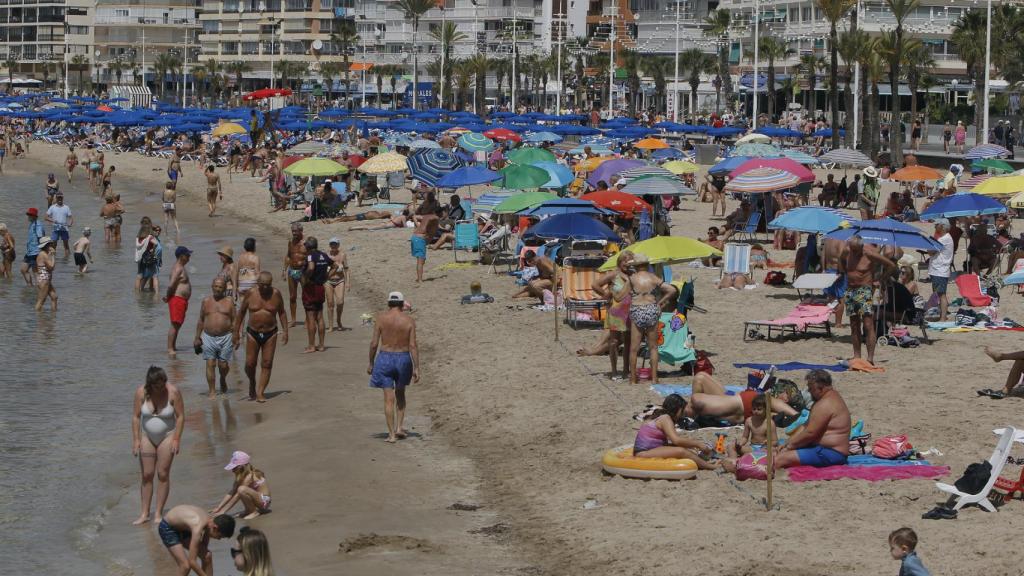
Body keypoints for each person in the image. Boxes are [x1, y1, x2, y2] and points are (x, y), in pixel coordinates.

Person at [131, 366, 184, 525]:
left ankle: (159, 513)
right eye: (157, 386)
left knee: (162, 474)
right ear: (150, 384)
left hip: (167, 436)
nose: (161, 388)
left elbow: (180, 416)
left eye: (163, 384)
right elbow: (135, 417)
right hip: (147, 436)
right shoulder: (141, 392)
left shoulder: (173, 392)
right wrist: (136, 439)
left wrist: (176, 439)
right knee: (147, 475)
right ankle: (144, 513)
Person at [367, 291, 419, 443]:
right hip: (403, 358)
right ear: (402, 304)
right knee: (400, 393)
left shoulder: (381, 319)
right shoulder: (409, 320)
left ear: (389, 303)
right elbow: (413, 345)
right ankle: (399, 427)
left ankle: (391, 435)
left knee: (388, 399)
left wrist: (371, 362)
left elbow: (374, 344)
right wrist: (417, 367)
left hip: (385, 357)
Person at [773, 370, 851, 469]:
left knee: (780, 459)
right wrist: (788, 443)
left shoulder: (826, 404)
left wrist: (789, 447)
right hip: (821, 449)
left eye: (811, 388)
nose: (809, 391)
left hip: (832, 453)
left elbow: (810, 433)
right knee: (778, 451)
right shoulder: (825, 399)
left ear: (821, 388)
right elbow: (806, 426)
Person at [840, 236, 896, 365]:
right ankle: (857, 355)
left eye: (856, 250)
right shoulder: (847, 251)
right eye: (852, 250)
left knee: (868, 324)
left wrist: (881, 278)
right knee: (854, 325)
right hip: (850, 290)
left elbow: (891, 265)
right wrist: (843, 273)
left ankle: (870, 358)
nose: (854, 253)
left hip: (864, 290)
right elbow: (842, 261)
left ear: (861, 247)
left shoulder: (869, 254)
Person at [578, 250, 633, 379]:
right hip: (616, 312)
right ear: (619, 262)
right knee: (614, 342)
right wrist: (606, 296)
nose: (627, 263)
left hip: (630, 312)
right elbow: (595, 284)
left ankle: (626, 370)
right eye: (625, 261)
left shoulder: (632, 275)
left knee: (628, 343)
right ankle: (614, 371)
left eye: (629, 261)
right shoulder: (613, 274)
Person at [235, 271, 289, 402]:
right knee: (250, 364)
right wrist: (235, 332)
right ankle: (252, 382)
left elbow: (281, 312)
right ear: (258, 283)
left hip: (271, 332)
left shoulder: (276, 294)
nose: (265, 288)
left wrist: (286, 331)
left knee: (267, 363)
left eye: (268, 285)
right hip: (252, 332)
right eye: (263, 285)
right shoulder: (251, 293)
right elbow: (241, 313)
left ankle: (260, 392)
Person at [625, 254, 677, 385]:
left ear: (635, 266)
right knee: (653, 347)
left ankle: (633, 379)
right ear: (647, 265)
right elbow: (671, 290)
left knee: (634, 349)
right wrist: (660, 303)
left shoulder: (632, 278)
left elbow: (622, 295)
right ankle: (654, 378)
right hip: (651, 309)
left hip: (637, 309)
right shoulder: (653, 278)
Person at [632, 394, 718, 470]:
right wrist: (698, 444)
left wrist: (691, 446)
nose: (682, 415)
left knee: (683, 449)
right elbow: (676, 440)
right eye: (682, 411)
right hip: (643, 453)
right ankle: (710, 466)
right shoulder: (665, 418)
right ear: (678, 409)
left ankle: (703, 461)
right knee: (681, 451)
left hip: (648, 449)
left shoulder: (656, 416)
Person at [687, 372, 800, 424]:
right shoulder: (768, 403)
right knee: (699, 377)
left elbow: (771, 401)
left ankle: (796, 415)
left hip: (738, 402)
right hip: (736, 401)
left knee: (699, 383)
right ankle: (796, 415)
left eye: (785, 393)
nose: (781, 392)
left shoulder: (771, 400)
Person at [158, 504, 235, 576]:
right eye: (220, 536)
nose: (218, 539)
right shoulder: (198, 527)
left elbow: (204, 549)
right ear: (215, 528)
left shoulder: (210, 523)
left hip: (184, 527)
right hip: (167, 527)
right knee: (185, 566)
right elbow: (192, 561)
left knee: (207, 556)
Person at [195, 278, 236, 397]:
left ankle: (223, 378)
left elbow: (235, 320)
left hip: (226, 337)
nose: (217, 289)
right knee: (210, 363)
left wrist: (236, 336)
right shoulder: (206, 301)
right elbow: (201, 320)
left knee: (223, 365)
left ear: (224, 288)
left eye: (220, 287)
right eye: (216, 286)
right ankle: (212, 391)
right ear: (212, 286)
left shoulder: (229, 302)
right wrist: (197, 337)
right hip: (208, 336)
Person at [211, 451, 272, 520]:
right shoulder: (240, 476)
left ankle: (253, 512)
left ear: (241, 467)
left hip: (264, 501)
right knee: (240, 489)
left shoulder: (250, 476)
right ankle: (248, 510)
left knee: (241, 489)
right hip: (258, 498)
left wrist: (223, 511)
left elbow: (237, 495)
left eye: (234, 468)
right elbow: (231, 492)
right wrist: (219, 507)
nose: (232, 470)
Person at [301, 236, 330, 353]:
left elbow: (311, 267)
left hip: (311, 288)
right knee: (320, 316)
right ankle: (321, 345)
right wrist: (326, 276)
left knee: (310, 317)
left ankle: (311, 345)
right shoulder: (323, 255)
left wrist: (305, 278)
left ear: (308, 246)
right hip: (320, 286)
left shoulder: (310, 255)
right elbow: (335, 266)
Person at [164, 246, 193, 357]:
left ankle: (173, 346)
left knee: (178, 324)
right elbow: (171, 285)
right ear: (181, 256)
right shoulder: (178, 268)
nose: (189, 257)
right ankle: (170, 348)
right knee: (175, 324)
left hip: (181, 300)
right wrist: (167, 297)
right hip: (177, 299)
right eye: (188, 255)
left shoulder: (181, 267)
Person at [727, 393, 774, 458]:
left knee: (775, 451)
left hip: (765, 448)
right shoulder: (749, 421)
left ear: (766, 409)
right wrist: (740, 443)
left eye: (759, 409)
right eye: (754, 409)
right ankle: (733, 461)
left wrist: (768, 442)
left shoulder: (770, 423)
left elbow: (775, 441)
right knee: (731, 446)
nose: (756, 411)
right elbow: (745, 437)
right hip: (752, 448)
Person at [927, 219, 954, 322]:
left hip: (940, 270)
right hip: (938, 269)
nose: (935, 227)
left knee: (941, 294)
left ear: (942, 226)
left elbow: (931, 251)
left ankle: (943, 317)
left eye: (936, 225)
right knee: (938, 294)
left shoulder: (944, 239)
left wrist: (930, 244)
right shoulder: (944, 238)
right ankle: (941, 315)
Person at [411, 205, 442, 283]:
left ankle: (419, 278)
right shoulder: (435, 218)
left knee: (422, 260)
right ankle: (420, 280)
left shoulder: (426, 216)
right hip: (419, 239)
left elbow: (414, 216)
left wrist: (418, 225)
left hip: (417, 239)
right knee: (420, 261)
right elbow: (433, 219)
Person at [283, 223, 306, 326]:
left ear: (301, 231)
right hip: (292, 271)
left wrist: (305, 264)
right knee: (292, 296)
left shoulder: (306, 243)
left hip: (302, 271)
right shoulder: (290, 242)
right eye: (292, 231)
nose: (294, 233)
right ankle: (293, 320)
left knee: (306, 296)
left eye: (295, 231)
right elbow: (288, 256)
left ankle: (308, 318)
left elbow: (311, 257)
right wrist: (284, 269)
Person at [325, 237, 349, 331]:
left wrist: (348, 282)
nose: (333, 246)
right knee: (330, 303)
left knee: (340, 302)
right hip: (328, 281)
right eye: (331, 244)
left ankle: (338, 320)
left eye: (335, 244)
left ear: (338, 245)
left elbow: (346, 269)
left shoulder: (342, 255)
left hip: (340, 280)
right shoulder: (326, 255)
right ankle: (331, 326)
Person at [45, 193, 73, 258]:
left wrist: (70, 224)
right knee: (53, 245)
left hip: (64, 229)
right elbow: (46, 217)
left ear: (63, 198)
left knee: (66, 245)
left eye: (61, 197)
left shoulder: (66, 207)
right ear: (56, 198)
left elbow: (71, 218)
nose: (60, 199)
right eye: (58, 198)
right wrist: (53, 220)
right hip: (55, 229)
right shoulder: (52, 207)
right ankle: (52, 259)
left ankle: (67, 260)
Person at [34, 237, 57, 311]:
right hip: (44, 280)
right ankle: (38, 318)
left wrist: (51, 254)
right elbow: (51, 267)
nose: (52, 246)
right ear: (47, 245)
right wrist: (53, 255)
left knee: (54, 297)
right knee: (41, 301)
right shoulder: (43, 254)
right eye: (50, 244)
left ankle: (53, 317)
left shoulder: (44, 254)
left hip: (45, 279)